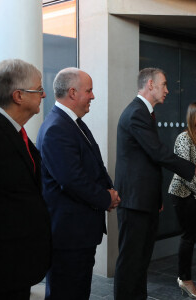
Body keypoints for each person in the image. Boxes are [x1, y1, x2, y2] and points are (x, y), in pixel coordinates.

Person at [114, 68, 196, 300]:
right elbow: (157, 153)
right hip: (134, 201)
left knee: (140, 261)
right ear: (149, 84)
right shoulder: (137, 113)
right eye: (164, 85)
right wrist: (192, 169)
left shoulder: (145, 113)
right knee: (131, 262)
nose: (167, 90)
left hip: (143, 200)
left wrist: (155, 199)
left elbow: (147, 161)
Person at [36, 67, 120, 300]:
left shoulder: (73, 123)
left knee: (78, 290)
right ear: (73, 92)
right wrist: (106, 198)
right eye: (89, 90)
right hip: (68, 235)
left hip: (79, 233)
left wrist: (109, 190)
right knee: (67, 293)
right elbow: (72, 180)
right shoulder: (56, 128)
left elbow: (94, 164)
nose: (93, 96)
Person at [0, 59, 51, 300]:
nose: (44, 94)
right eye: (38, 90)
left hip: (18, 263)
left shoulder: (18, 133)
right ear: (18, 96)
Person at [168, 102, 196, 299]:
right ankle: (185, 280)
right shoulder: (184, 138)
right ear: (192, 117)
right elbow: (184, 171)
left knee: (192, 237)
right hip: (183, 193)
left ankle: (186, 278)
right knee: (188, 237)